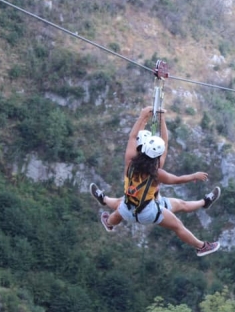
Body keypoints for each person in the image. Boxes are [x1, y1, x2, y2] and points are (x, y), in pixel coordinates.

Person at [90, 107, 221, 257]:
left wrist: (142, 117)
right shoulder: (157, 173)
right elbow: (176, 178)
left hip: (128, 208)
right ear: (157, 156)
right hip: (147, 212)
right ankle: (201, 246)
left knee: (121, 205)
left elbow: (132, 138)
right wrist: (194, 176)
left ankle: (107, 214)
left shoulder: (130, 163)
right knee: (178, 225)